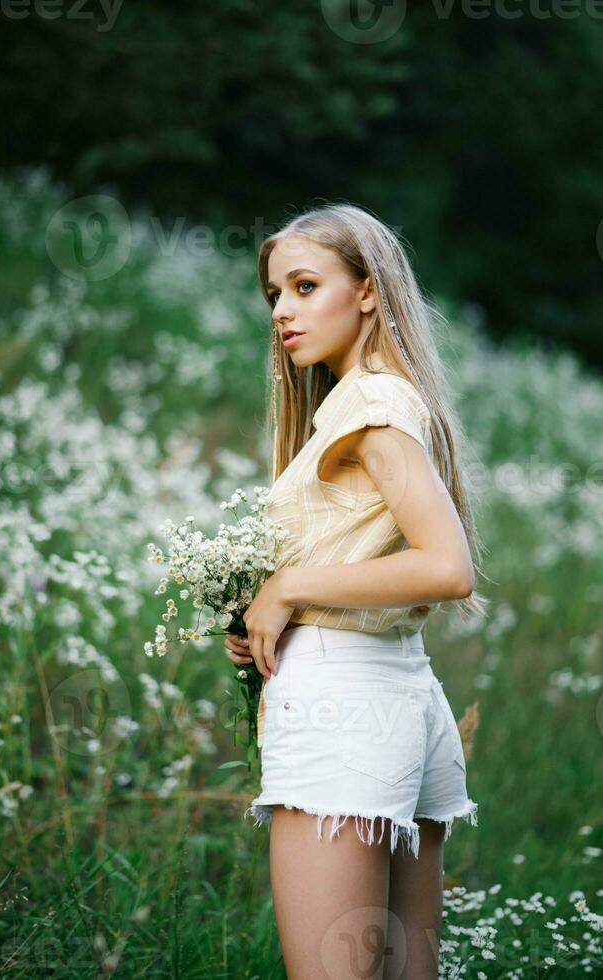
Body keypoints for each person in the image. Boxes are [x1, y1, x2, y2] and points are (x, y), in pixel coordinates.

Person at [224, 203, 488, 979]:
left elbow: (447, 567)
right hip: (400, 695)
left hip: (347, 707)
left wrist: (289, 587)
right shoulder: (379, 396)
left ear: (368, 291)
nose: (282, 312)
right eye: (275, 293)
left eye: (306, 286)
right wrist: (270, 610)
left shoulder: (369, 404)